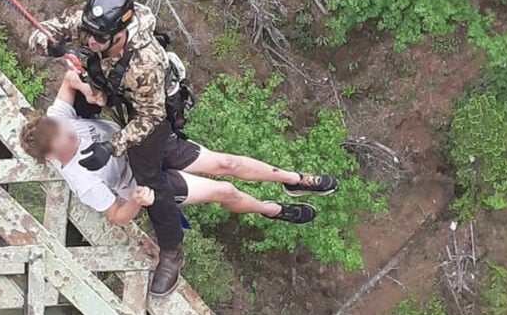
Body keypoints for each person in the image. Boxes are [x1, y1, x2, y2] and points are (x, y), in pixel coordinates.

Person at [20, 71, 340, 287]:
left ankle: (294, 179)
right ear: (51, 155)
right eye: (64, 139)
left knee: (224, 162)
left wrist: (90, 90)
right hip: (145, 182)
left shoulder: (58, 121)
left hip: (145, 145)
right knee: (224, 191)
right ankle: (272, 210)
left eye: (65, 130)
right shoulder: (81, 180)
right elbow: (116, 216)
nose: (69, 134)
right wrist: (135, 201)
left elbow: (68, 79)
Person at [29, 0, 187, 297]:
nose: (90, 42)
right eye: (87, 34)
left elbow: (150, 117)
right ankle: (81, 124)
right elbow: (41, 33)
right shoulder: (95, 26)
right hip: (112, 79)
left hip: (147, 106)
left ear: (120, 34)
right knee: (82, 89)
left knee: (149, 176)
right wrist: (53, 46)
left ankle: (172, 251)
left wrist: (112, 146)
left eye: (98, 40)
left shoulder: (147, 61)